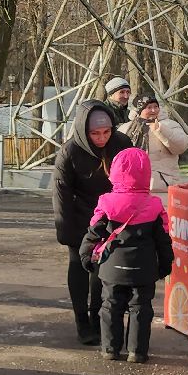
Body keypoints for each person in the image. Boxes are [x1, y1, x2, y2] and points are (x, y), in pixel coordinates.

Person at [81, 148, 175, 364]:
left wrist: (85, 255)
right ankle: (137, 352)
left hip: (112, 267)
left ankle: (110, 349)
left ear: (114, 171)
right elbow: (163, 239)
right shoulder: (154, 205)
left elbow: (93, 232)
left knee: (110, 306)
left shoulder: (106, 202)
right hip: (144, 268)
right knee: (141, 308)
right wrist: (165, 264)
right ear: (146, 174)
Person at [53, 100, 133, 346]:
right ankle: (82, 321)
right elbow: (61, 193)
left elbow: (133, 179)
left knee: (102, 270)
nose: (101, 138)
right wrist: (66, 230)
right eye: (95, 133)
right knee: (78, 265)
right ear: (84, 131)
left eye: (106, 132)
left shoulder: (121, 143)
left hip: (112, 216)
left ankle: (98, 318)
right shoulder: (70, 152)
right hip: (81, 216)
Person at [121, 93, 188, 197]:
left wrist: (160, 129)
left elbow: (182, 146)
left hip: (162, 187)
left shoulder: (169, 124)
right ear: (139, 110)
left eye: (156, 106)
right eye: (149, 107)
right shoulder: (126, 128)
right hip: (131, 187)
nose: (153, 110)